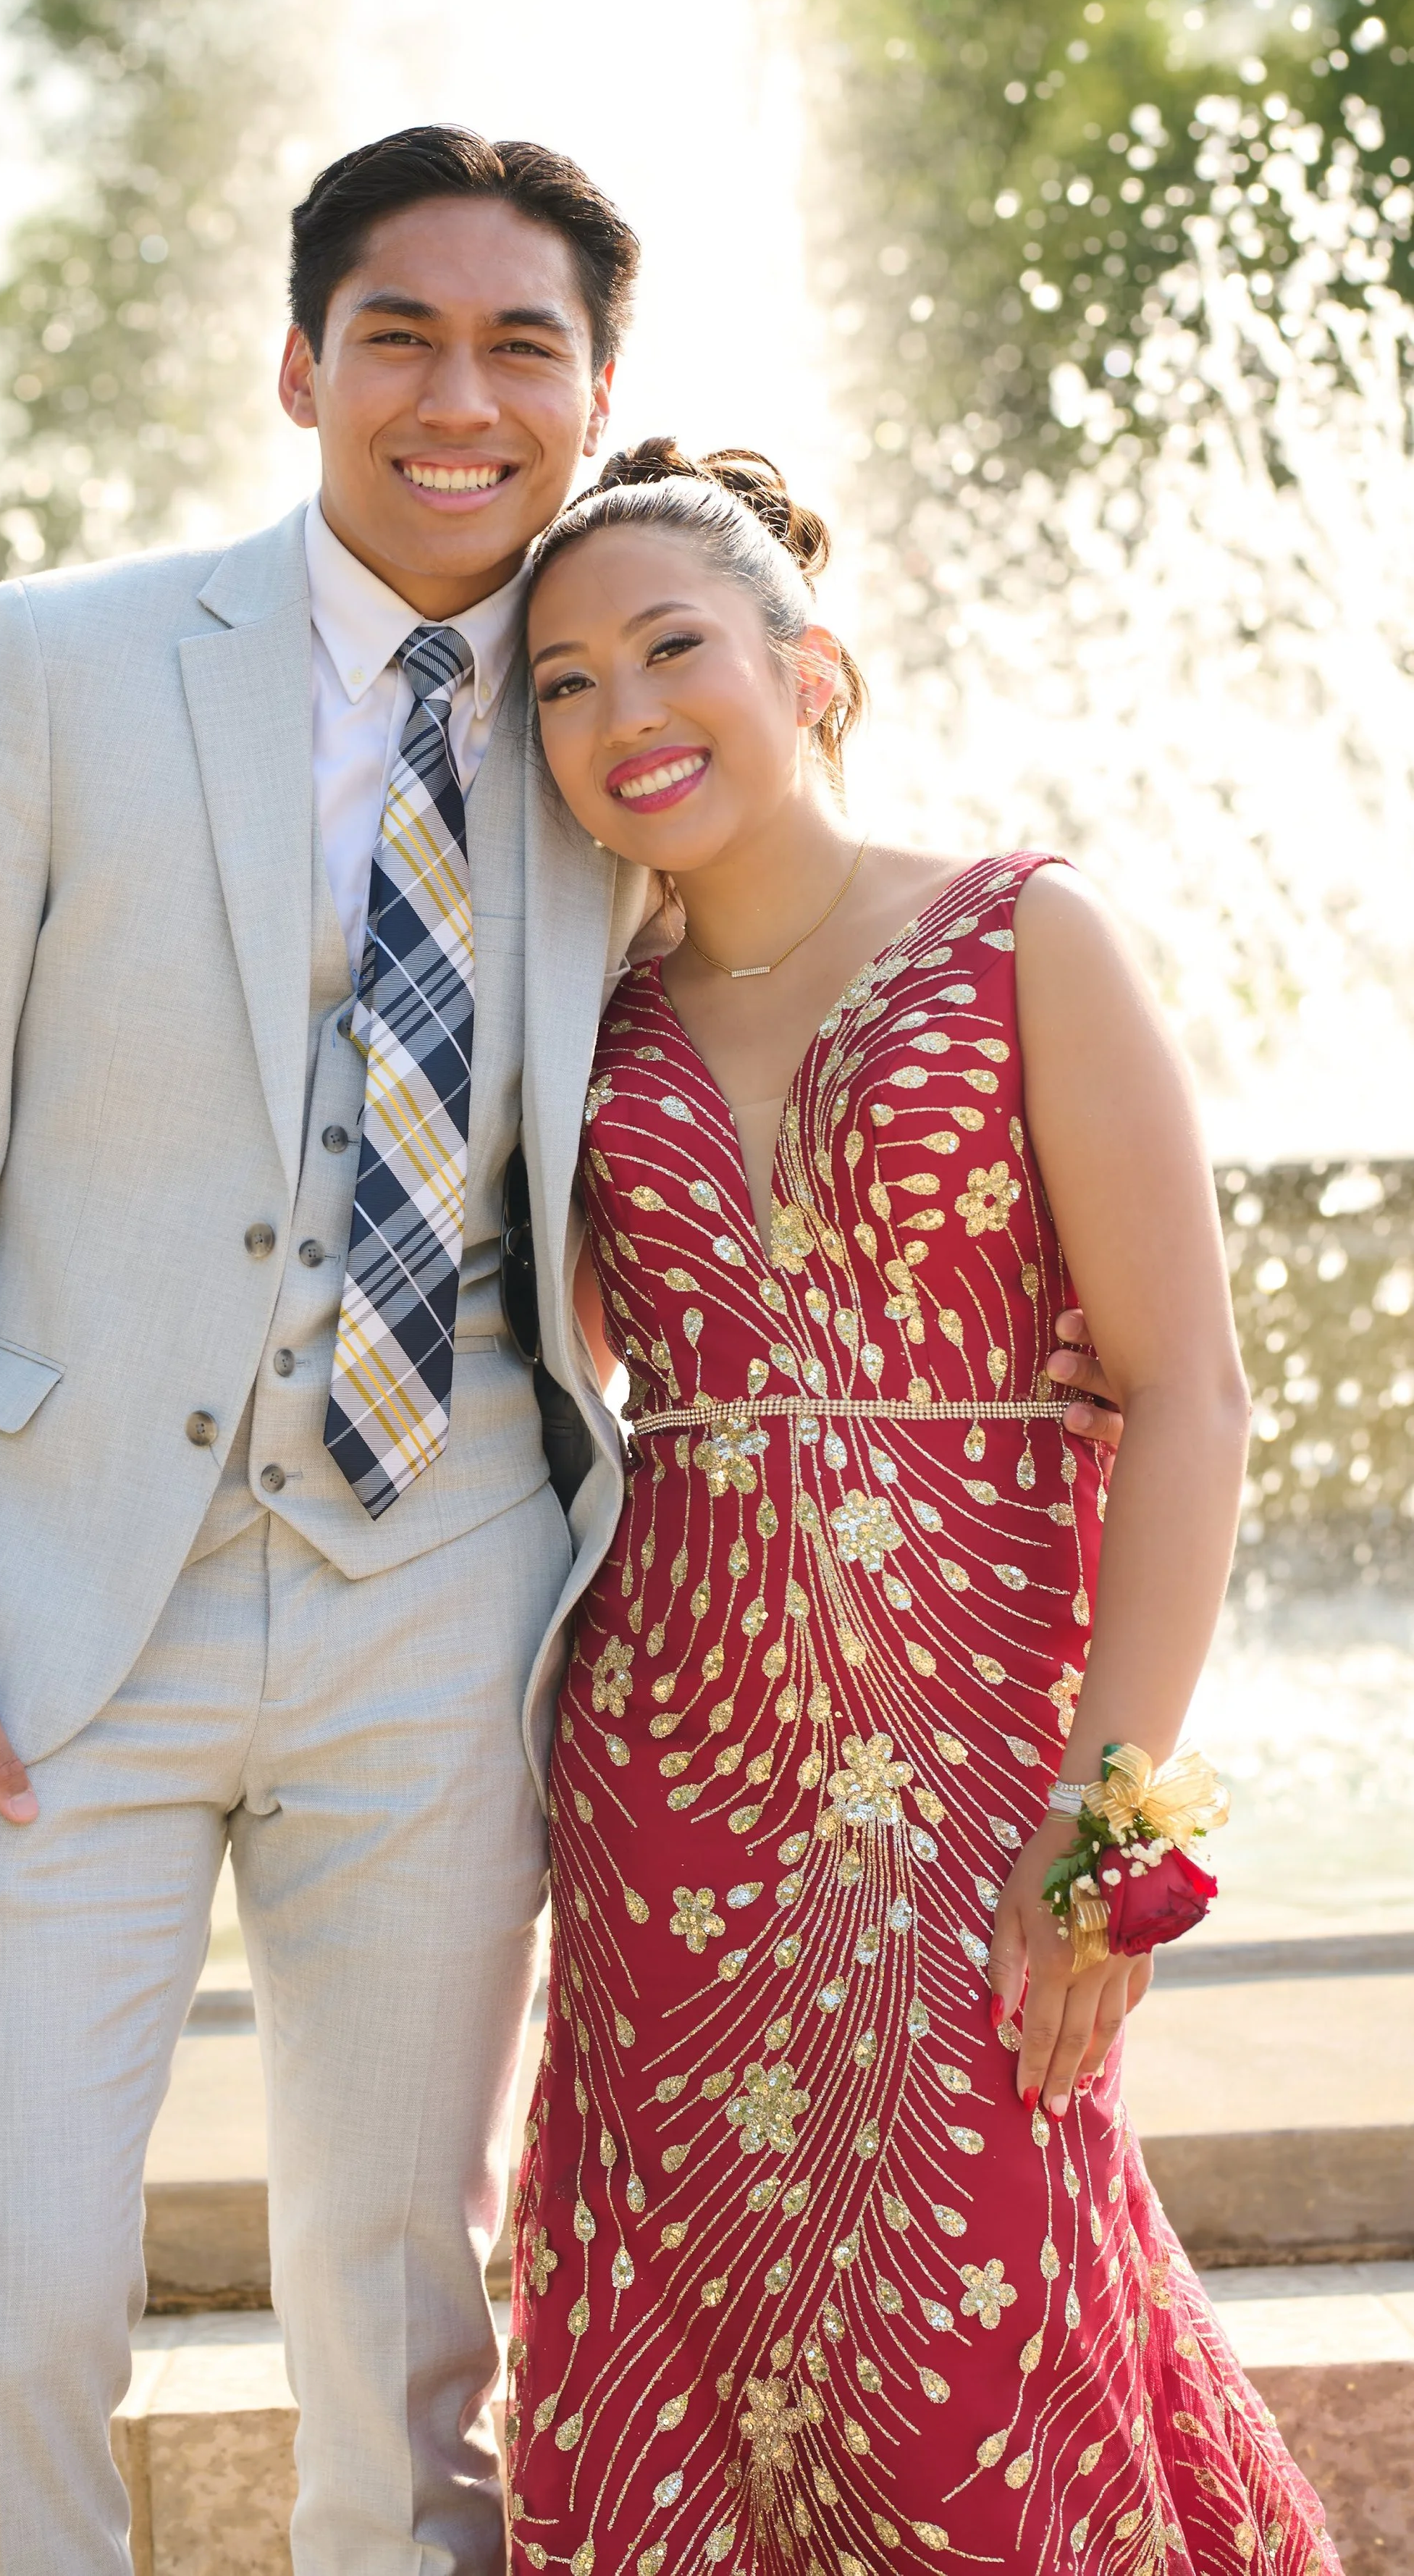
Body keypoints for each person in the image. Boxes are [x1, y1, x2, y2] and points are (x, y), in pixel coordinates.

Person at [0, 122, 1123, 2576]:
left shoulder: (608, 708)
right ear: (302, 361)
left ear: (595, 387)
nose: (454, 392)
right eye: (398, 330)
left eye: (524, 345)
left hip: (451, 1605)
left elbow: (789, 963)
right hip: (37, 1615)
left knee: (405, 2344)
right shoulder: (64, 663)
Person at [505, 442, 1339, 2574]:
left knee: (984, 2316)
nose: (621, 715)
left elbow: (1188, 1392)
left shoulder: (1026, 931)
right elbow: (538, 1389)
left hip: (978, 1761)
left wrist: (1110, 1823)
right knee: (689, 2337)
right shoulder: (583, 1034)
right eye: (563, 682)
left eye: (670, 649)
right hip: (670, 1783)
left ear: (818, 670)